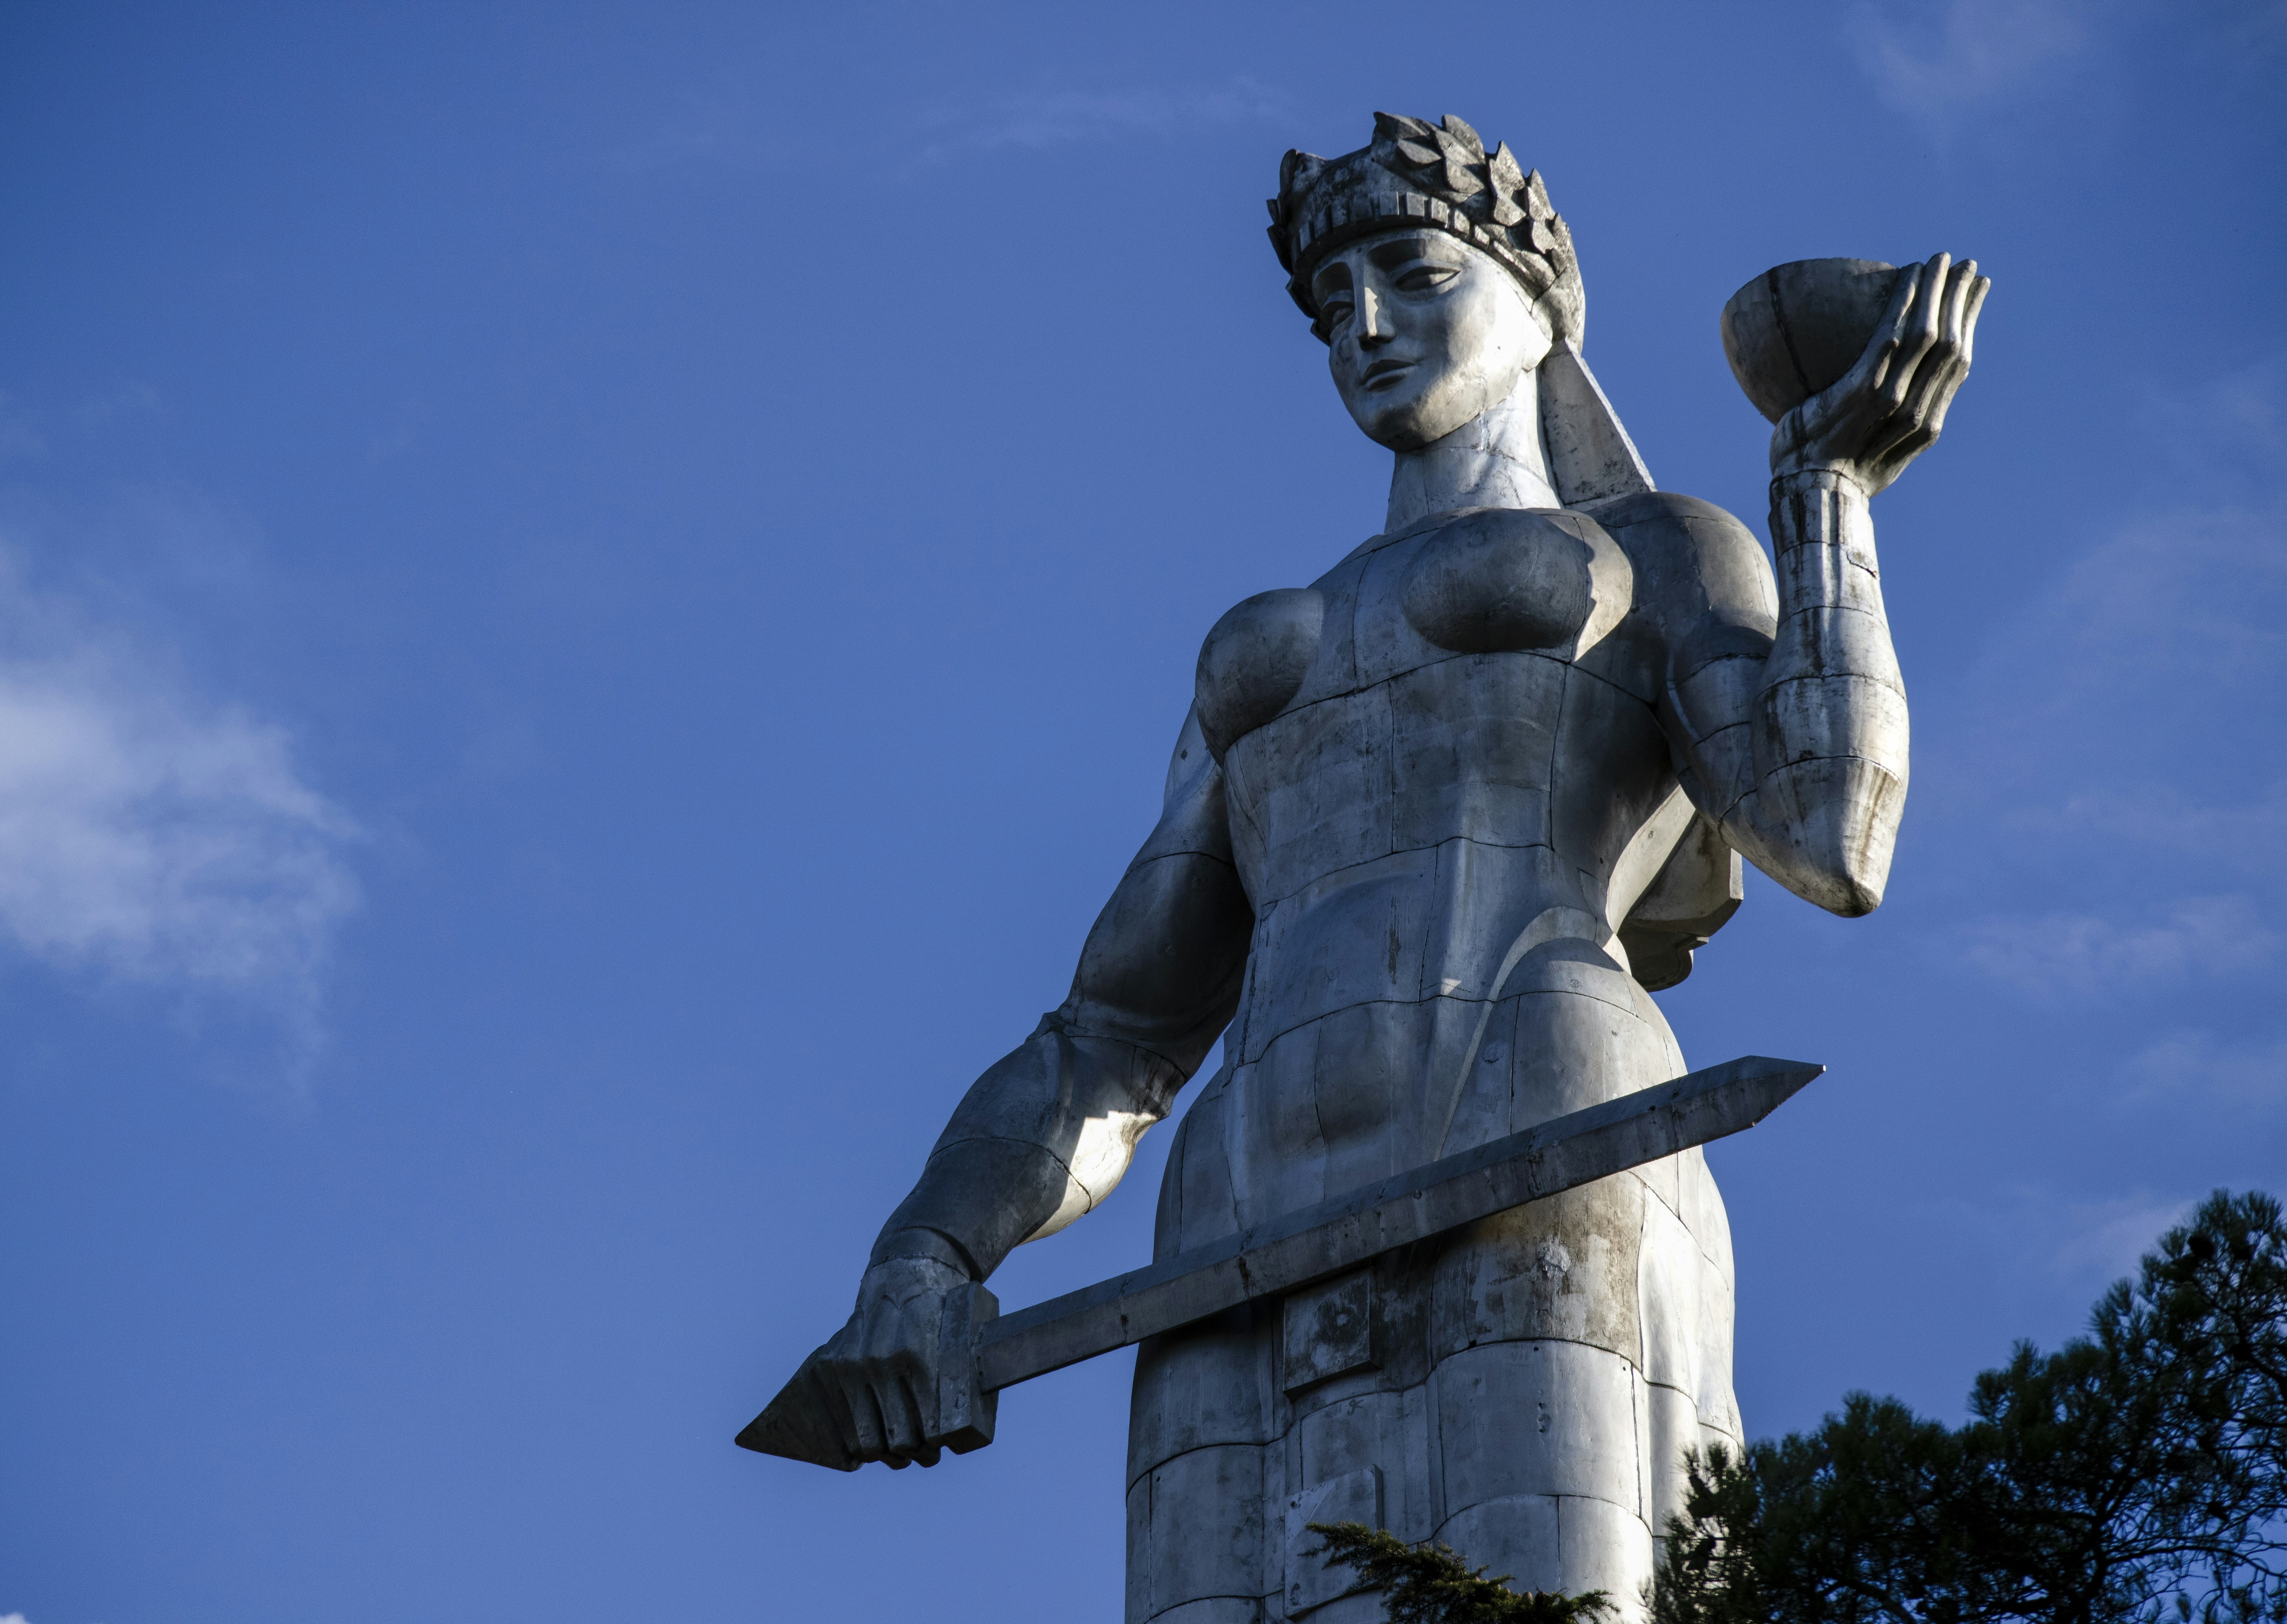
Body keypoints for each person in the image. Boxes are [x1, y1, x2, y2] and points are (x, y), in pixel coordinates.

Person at [785, 111, 1985, 1622]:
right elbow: (1114, 1033)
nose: (1364, 326)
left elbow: (1828, 832)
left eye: (1415, 275)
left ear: (1541, 305)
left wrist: (1825, 497)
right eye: (1328, 304)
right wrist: (927, 1254)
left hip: (1542, 1102)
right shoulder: (1258, 650)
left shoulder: (1661, 554)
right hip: (1235, 1204)